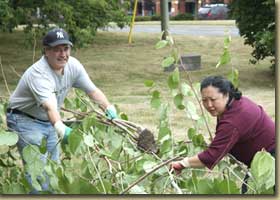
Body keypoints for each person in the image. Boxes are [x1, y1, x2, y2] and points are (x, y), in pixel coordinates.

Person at [6, 27, 117, 193]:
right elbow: (50, 106)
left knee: (53, 168)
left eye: (66, 49)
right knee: (39, 173)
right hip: (24, 120)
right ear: (46, 51)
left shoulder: (73, 66)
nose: (63, 54)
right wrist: (61, 129)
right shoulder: (39, 74)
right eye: (57, 50)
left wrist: (108, 108)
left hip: (46, 120)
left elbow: (92, 91)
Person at [171, 75, 275, 193]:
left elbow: (211, 156)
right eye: (204, 100)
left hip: (271, 161)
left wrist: (183, 163)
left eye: (213, 99)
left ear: (226, 94)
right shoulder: (237, 103)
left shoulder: (233, 120)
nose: (209, 105)